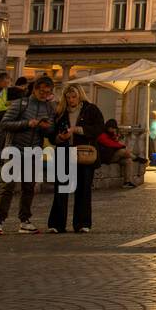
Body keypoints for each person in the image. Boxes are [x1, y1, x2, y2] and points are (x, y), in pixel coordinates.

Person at [0, 75, 55, 235]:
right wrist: (27, 123)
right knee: (8, 186)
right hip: (14, 149)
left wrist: (46, 127)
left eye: (48, 92)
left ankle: (24, 221)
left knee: (29, 187)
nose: (45, 95)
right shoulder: (21, 104)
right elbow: (4, 123)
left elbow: (51, 130)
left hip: (33, 151)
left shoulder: (49, 108)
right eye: (42, 91)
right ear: (35, 89)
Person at [47, 84, 105, 234]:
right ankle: (57, 224)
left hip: (84, 154)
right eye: (68, 97)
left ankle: (82, 223)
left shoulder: (91, 109)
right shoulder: (60, 112)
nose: (71, 100)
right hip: (64, 152)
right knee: (61, 189)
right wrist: (60, 137)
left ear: (80, 96)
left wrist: (77, 130)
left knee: (83, 189)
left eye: (74, 97)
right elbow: (51, 134)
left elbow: (99, 128)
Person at [96, 119, 137, 188]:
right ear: (108, 127)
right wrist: (122, 146)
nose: (113, 130)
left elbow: (115, 143)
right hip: (105, 157)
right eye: (111, 128)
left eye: (114, 128)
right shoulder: (102, 135)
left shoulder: (111, 135)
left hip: (113, 156)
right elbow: (111, 144)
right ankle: (137, 158)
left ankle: (127, 182)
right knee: (122, 151)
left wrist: (115, 137)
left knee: (128, 161)